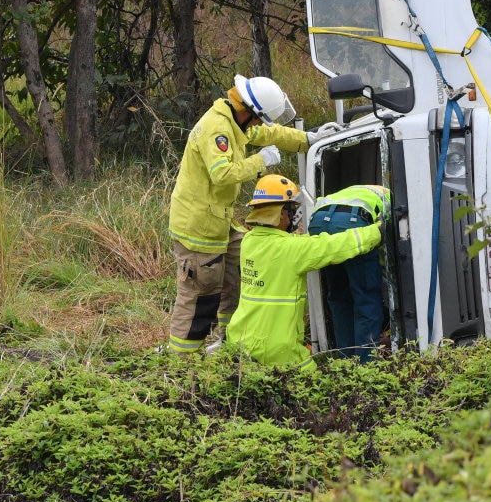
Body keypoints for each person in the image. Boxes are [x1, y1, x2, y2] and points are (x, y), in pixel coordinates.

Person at [165, 74, 337, 354]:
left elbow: (272, 133)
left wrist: (309, 139)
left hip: (219, 221)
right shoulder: (217, 130)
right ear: (249, 112)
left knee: (235, 277)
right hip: (197, 227)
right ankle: (181, 365)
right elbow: (221, 174)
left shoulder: (236, 121)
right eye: (259, 119)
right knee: (200, 296)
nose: (258, 126)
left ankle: (231, 344)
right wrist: (260, 160)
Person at [225, 175, 382, 367]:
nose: (295, 216)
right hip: (276, 349)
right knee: (312, 381)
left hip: (240, 340)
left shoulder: (249, 241)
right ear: (281, 214)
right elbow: (333, 246)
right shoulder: (290, 250)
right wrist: (377, 232)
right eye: (292, 210)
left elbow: (291, 247)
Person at [312, 185, 391, 362]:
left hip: (317, 222)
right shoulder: (394, 197)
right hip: (354, 222)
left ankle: (345, 361)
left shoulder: (354, 191)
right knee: (366, 298)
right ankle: (365, 366)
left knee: (339, 297)